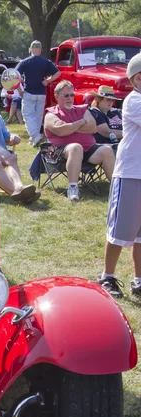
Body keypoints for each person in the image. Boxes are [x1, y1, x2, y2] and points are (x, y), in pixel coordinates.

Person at [96, 53, 141, 298]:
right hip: (131, 173)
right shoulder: (134, 101)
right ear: (138, 78)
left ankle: (139, 280)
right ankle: (108, 276)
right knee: (119, 231)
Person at [43, 80, 115, 201]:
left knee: (106, 150)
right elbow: (61, 131)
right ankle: (73, 188)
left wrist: (70, 127)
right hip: (60, 152)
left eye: (72, 95)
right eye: (66, 95)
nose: (70, 98)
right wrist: (82, 122)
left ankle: (117, 188)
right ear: (56, 96)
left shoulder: (82, 109)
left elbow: (92, 127)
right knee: (75, 147)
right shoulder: (51, 114)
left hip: (88, 148)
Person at [15, 40, 61, 147]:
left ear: (30, 49)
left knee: (27, 115)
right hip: (41, 93)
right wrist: (48, 80)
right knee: (37, 117)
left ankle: (36, 136)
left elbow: (14, 76)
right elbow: (58, 73)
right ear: (40, 50)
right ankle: (34, 139)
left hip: (29, 92)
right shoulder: (46, 62)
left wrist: (19, 90)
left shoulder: (25, 62)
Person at [0, 109, 40, 204]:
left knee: (11, 158)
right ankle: (20, 195)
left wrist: (13, 137)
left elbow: (6, 135)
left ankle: (19, 186)